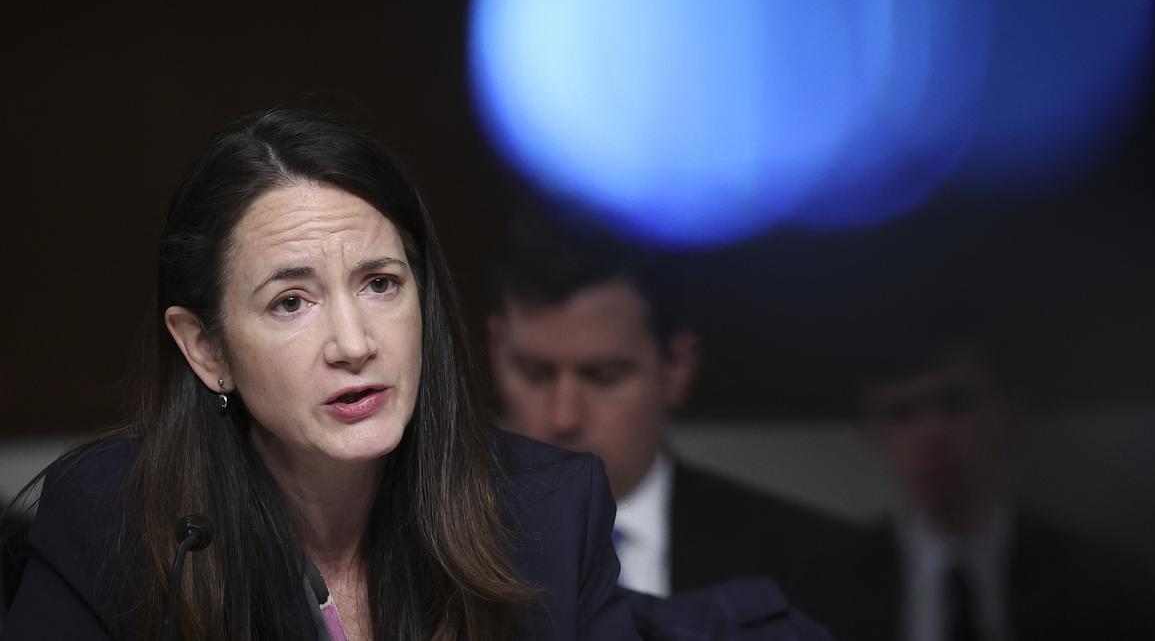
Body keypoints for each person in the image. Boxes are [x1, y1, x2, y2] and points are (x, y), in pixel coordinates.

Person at [2, 108, 639, 641]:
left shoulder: (552, 513)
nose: (354, 344)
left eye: (380, 284)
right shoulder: (107, 523)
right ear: (207, 350)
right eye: (291, 302)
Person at [486, 210, 858, 629]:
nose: (564, 415)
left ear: (677, 367)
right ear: (496, 349)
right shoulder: (438, 549)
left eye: (603, 376)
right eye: (535, 373)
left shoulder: (804, 565)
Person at [830, 313, 1155, 641]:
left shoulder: (1103, 584)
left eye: (956, 403)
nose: (931, 433)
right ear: (870, 434)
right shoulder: (830, 587)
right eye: (900, 412)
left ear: (1010, 412)